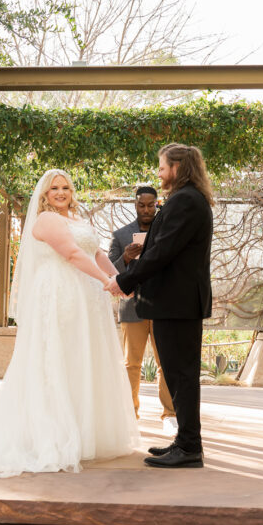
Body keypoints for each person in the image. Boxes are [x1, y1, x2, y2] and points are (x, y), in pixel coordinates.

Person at [0, 169, 140, 477]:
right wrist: (108, 282)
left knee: (81, 359)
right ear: (44, 194)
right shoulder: (46, 221)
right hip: (61, 294)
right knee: (56, 360)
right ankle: (52, 435)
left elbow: (95, 252)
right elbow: (72, 254)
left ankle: (86, 434)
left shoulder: (77, 219)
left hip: (86, 298)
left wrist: (120, 278)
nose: (60, 192)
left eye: (65, 187)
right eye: (54, 188)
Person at [105, 144, 214, 469]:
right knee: (181, 375)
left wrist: (124, 281)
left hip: (176, 304)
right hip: (175, 303)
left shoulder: (185, 201)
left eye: (163, 167)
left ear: (178, 168)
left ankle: (190, 447)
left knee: (181, 375)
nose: (159, 172)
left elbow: (161, 252)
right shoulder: (189, 199)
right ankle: (184, 442)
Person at [108, 186, 177, 434]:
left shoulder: (169, 232)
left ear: (157, 204)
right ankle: (130, 414)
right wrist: (125, 259)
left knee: (165, 364)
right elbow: (110, 273)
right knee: (131, 364)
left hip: (162, 306)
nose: (146, 209)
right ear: (135, 205)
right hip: (132, 307)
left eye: (151, 205)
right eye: (141, 205)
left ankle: (169, 415)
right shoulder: (120, 236)